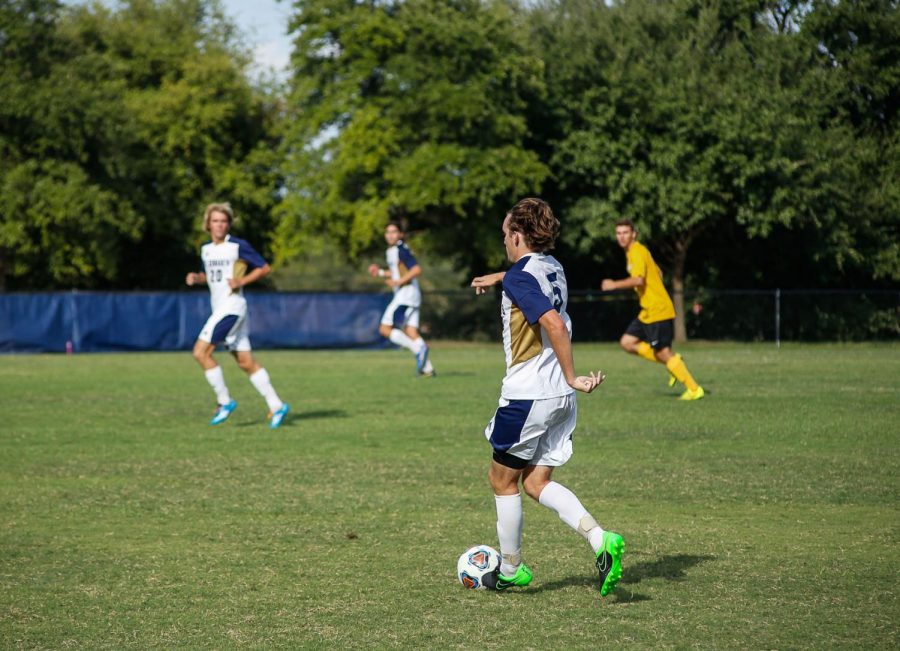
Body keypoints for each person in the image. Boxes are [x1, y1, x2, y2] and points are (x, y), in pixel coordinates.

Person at [469, 197, 624, 597]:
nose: (504, 240)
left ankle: (510, 568)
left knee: (502, 480)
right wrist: (499, 276)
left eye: (505, 234)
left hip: (529, 395)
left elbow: (552, 322)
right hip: (558, 399)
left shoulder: (521, 277)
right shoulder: (552, 266)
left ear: (517, 235)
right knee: (536, 482)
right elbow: (527, 278)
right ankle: (600, 540)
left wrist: (574, 375)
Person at [185, 202, 290, 428]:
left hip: (232, 306)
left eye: (223, 221)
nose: (219, 225)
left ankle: (224, 401)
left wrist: (242, 281)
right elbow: (210, 276)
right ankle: (277, 405)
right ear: (208, 224)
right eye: (215, 221)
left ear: (229, 224)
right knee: (245, 362)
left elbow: (264, 267)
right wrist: (197, 278)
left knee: (200, 352)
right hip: (221, 307)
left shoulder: (237, 246)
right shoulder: (206, 249)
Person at [601, 219, 705, 401]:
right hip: (648, 310)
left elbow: (639, 280)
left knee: (663, 353)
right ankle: (674, 362)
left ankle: (694, 389)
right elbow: (659, 273)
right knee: (627, 342)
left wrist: (613, 284)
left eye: (625, 232)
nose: (621, 236)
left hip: (658, 310)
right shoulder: (636, 252)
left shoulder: (637, 252)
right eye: (618, 233)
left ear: (634, 234)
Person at [368, 222, 435, 376]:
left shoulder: (400, 250)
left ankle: (419, 349)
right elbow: (396, 273)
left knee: (384, 329)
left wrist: (398, 282)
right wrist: (379, 272)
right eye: (387, 232)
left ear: (400, 234)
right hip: (410, 293)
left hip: (406, 293)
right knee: (411, 331)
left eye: (394, 231)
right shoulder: (392, 250)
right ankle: (428, 369)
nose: (390, 235)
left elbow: (416, 269)